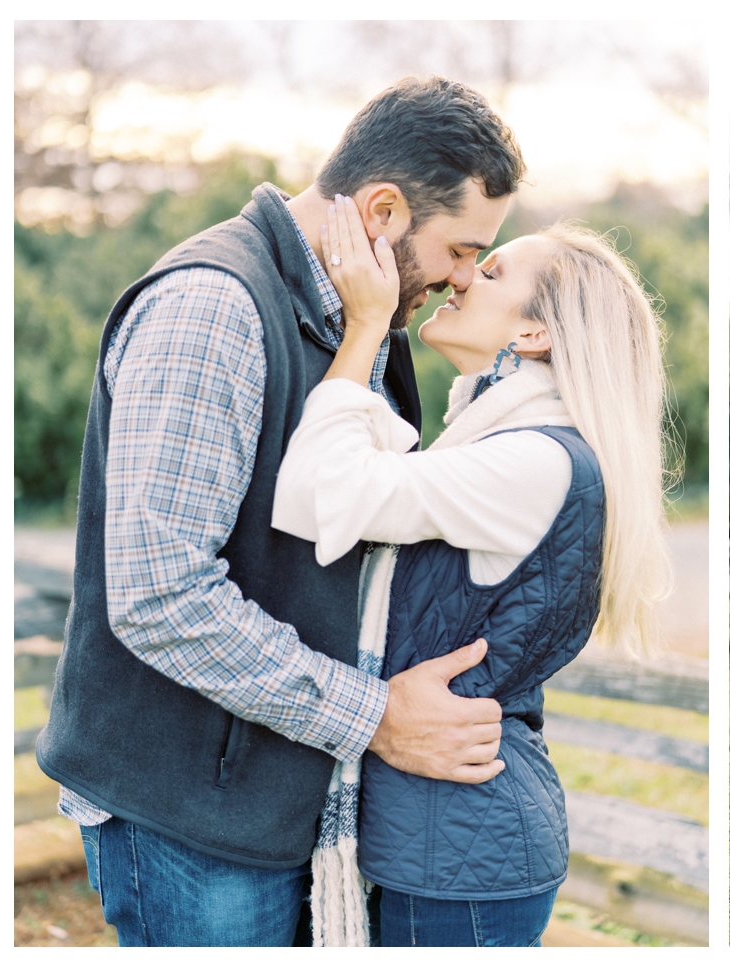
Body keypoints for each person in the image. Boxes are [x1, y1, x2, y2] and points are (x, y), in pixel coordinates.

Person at [36, 76, 527, 946]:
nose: (462, 280)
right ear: (381, 209)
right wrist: (373, 716)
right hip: (189, 813)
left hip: (276, 793)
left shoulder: (365, 323)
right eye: (460, 249)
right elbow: (161, 594)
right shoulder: (213, 308)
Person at [270, 198, 669, 945]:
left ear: (534, 332)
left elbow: (321, 491)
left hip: (460, 842)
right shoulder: (507, 443)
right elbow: (371, 473)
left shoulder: (532, 460)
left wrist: (363, 329)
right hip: (450, 827)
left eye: (487, 270)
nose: (458, 280)